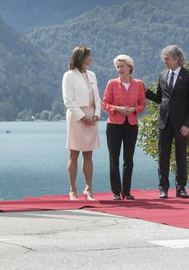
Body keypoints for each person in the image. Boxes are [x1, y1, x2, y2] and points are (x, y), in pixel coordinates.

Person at [145, 45, 189, 199]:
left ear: (177, 59)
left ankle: (181, 188)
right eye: (164, 58)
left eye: (167, 58)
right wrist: (146, 92)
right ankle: (163, 188)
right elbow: (159, 98)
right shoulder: (162, 75)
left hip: (182, 125)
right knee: (163, 156)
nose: (164, 61)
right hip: (164, 122)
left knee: (181, 155)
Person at [102, 55, 145, 200]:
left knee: (129, 159)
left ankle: (126, 191)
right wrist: (118, 108)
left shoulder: (138, 84)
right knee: (114, 159)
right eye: (118, 67)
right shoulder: (112, 83)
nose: (120, 69)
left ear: (129, 67)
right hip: (114, 125)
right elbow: (105, 103)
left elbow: (142, 104)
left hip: (131, 125)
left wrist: (134, 110)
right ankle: (116, 192)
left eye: (122, 66)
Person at [62, 45, 101, 200]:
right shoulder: (69, 75)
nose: (91, 58)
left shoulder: (92, 75)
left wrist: (97, 115)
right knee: (74, 153)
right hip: (77, 116)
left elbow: (97, 97)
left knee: (88, 154)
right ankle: (72, 190)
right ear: (81, 57)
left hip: (91, 116)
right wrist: (82, 116)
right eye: (88, 56)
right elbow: (68, 100)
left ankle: (88, 189)